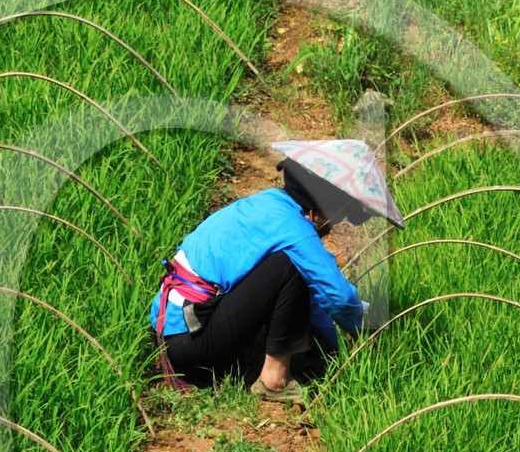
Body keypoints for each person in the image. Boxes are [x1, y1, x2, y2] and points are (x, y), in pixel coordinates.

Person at [150, 137, 404, 399]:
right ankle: (274, 380)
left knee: (294, 268)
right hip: (190, 342)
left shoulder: (269, 202)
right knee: (290, 265)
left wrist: (334, 350)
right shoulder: (294, 229)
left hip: (170, 328)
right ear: (320, 209)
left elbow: (312, 300)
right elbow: (338, 298)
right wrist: (367, 332)